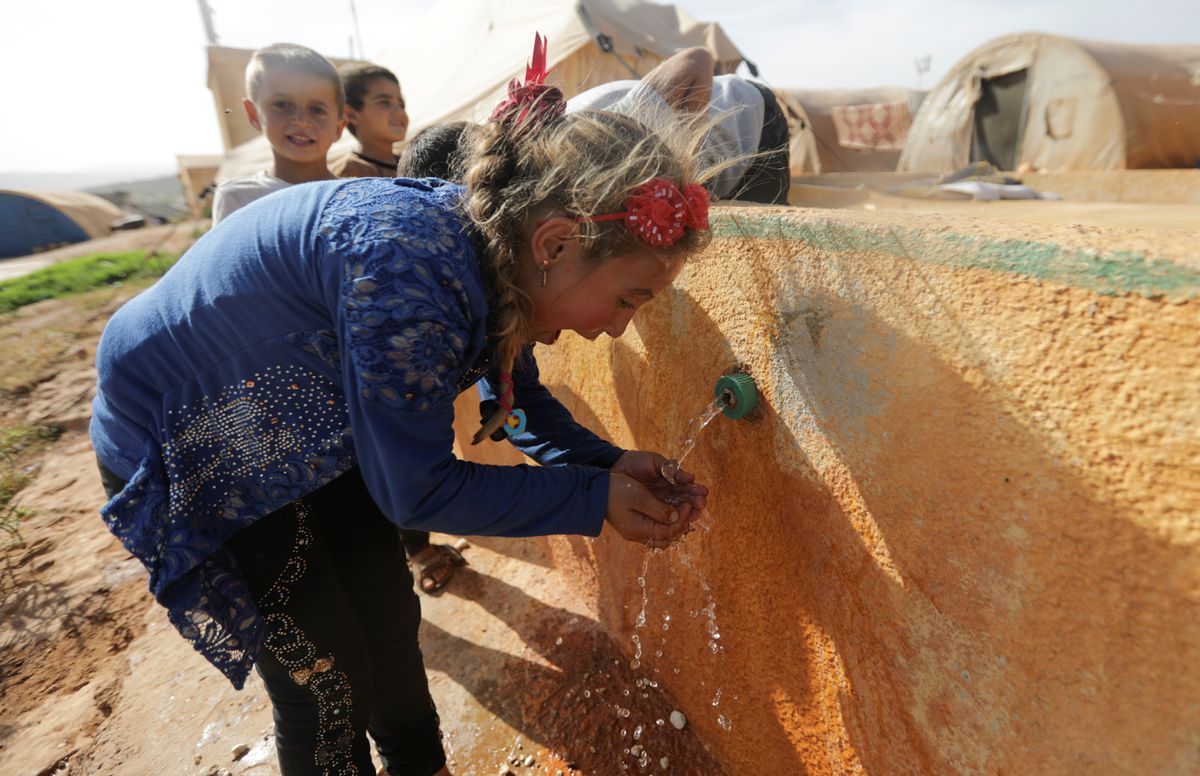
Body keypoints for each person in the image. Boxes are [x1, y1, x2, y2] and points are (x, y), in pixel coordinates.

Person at [91, 34, 718, 776]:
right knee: (324, 677)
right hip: (203, 439)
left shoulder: (493, 254)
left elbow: (514, 398)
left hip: (304, 424)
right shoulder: (407, 271)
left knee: (387, 622)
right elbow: (415, 489)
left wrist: (606, 461)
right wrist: (592, 497)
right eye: (628, 300)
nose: (616, 326)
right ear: (553, 243)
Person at [211, 43, 347, 224]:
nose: (301, 120)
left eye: (316, 109)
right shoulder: (239, 198)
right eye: (282, 105)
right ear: (253, 115)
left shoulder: (354, 194)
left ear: (338, 128)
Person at [330, 63, 410, 178]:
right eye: (384, 102)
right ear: (351, 115)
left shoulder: (411, 161)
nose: (400, 112)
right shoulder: (348, 173)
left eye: (401, 104)